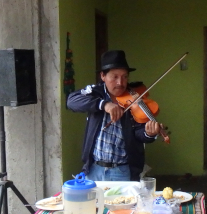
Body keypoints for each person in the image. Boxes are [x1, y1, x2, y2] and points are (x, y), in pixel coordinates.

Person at [67, 50, 162, 181]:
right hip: (94, 169)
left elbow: (139, 134)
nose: (120, 82)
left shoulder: (134, 97)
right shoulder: (96, 92)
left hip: (122, 171)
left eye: (124, 77)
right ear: (103, 76)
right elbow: (72, 101)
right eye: (115, 76)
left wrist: (148, 133)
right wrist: (104, 105)